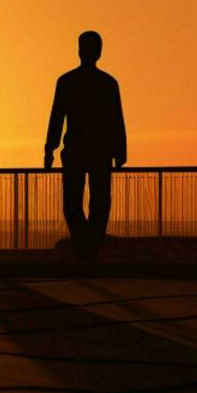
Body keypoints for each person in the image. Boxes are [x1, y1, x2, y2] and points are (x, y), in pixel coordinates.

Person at [44, 30, 127, 261]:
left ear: (80, 50)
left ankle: (84, 245)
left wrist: (49, 148)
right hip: (98, 151)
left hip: (77, 150)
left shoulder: (68, 82)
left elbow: (56, 118)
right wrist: (119, 151)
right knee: (98, 202)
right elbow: (116, 119)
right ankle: (89, 245)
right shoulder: (107, 84)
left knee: (75, 202)